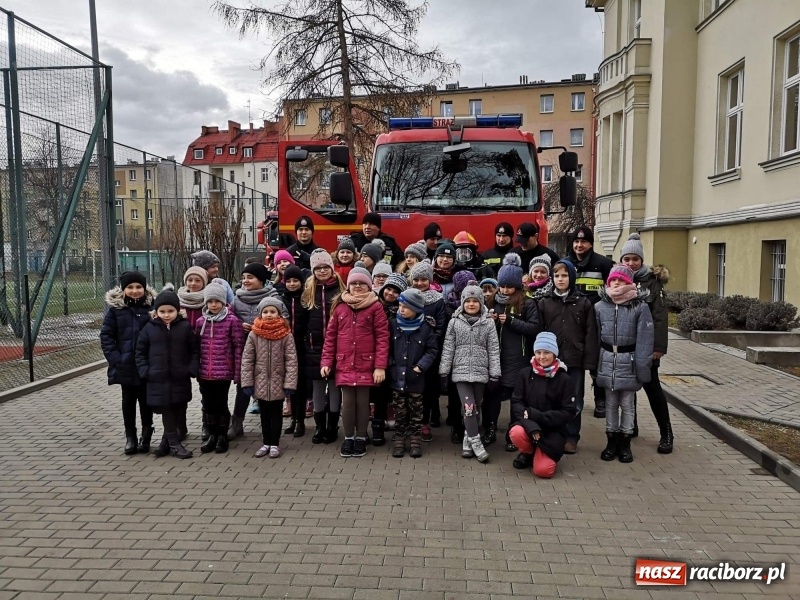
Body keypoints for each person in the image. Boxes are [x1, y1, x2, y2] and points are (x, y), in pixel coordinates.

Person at [320, 267, 390, 458]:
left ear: (368, 285)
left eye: (361, 283)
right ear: (348, 285)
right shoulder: (340, 307)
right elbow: (330, 337)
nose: (357, 286)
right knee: (348, 403)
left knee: (363, 403)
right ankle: (348, 437)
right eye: (354, 283)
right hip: (344, 364)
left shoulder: (376, 307)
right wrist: (326, 362)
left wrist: (379, 366)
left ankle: (361, 437)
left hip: (367, 364)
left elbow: (383, 338)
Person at [536, 259, 598, 456]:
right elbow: (539, 330)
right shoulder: (545, 302)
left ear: (571, 277)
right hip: (551, 360)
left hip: (574, 359)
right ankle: (554, 433)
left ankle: (572, 436)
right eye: (557, 276)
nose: (560, 279)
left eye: (564, 275)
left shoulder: (583, 302)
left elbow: (590, 333)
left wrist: (589, 361)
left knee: (574, 400)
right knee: (550, 397)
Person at [619, 233, 674, 454]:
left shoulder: (653, 284)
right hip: (625, 346)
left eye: (635, 259)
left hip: (647, 347)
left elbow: (660, 317)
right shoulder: (618, 279)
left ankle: (666, 433)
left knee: (653, 389)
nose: (631, 263)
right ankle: (631, 426)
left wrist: (658, 348)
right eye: (627, 259)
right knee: (628, 388)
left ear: (641, 260)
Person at [595, 265, 654, 464]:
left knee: (627, 404)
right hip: (607, 360)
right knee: (611, 403)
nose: (616, 283)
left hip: (628, 361)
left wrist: (642, 366)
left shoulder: (640, 307)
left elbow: (645, 340)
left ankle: (626, 443)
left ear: (629, 283)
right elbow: (595, 337)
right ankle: (611, 441)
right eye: (613, 280)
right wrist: (595, 364)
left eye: (621, 280)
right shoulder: (600, 307)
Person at [483, 253, 539, 456]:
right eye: (502, 285)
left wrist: (512, 321)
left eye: (509, 286)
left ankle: (513, 434)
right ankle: (489, 429)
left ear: (517, 286)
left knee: (517, 398)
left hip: (518, 359)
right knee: (491, 397)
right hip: (495, 357)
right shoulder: (491, 300)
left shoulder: (527, 303)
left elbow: (534, 327)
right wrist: (490, 319)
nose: (505, 290)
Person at [439, 285, 501, 463]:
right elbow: (448, 347)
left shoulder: (488, 322)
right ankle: (476, 441)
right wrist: (444, 371)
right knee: (468, 407)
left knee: (476, 405)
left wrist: (495, 373)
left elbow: (494, 349)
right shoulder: (454, 322)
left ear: (481, 303)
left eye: (475, 301)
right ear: (462, 302)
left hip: (481, 372)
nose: (471, 304)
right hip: (461, 371)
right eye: (468, 301)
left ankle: (468, 437)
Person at [135, 288, 199, 459]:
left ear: (177, 310)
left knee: (178, 407)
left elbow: (194, 350)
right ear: (156, 312)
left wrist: (191, 369)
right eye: (162, 311)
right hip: (157, 378)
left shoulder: (184, 327)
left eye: (170, 311)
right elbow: (140, 352)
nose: (166, 315)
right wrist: (145, 370)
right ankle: (174, 444)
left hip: (180, 377)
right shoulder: (149, 329)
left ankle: (165, 443)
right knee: (167, 410)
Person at [100, 270, 157, 455]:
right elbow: (107, 336)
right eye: (130, 287)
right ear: (123, 289)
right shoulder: (116, 310)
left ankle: (146, 434)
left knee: (146, 401)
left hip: (146, 364)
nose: (134, 291)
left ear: (144, 288)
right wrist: (116, 359)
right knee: (128, 401)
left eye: (138, 287)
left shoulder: (152, 308)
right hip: (125, 364)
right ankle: (130, 436)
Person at [508, 332, 578, 479]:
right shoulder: (524, 374)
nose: (542, 357)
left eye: (547, 352)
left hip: (553, 430)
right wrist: (531, 425)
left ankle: (539, 453)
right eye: (538, 352)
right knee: (516, 432)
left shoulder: (565, 379)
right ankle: (528, 452)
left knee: (543, 471)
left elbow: (567, 412)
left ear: (554, 354)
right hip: (528, 426)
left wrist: (538, 416)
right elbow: (517, 403)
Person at [241, 297, 298, 459]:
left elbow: (292, 360)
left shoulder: (286, 334)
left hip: (278, 382)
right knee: (264, 414)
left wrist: (290, 383)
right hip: (260, 381)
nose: (269, 315)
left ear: (279, 314)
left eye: (272, 311)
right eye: (265, 312)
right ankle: (266, 442)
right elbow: (247, 359)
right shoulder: (254, 334)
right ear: (260, 314)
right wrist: (247, 382)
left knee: (276, 414)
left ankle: (275, 443)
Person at [228, 262, 280, 438]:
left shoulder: (273, 297)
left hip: (269, 350)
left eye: (250, 277)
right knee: (244, 386)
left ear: (261, 280)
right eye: (244, 277)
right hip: (244, 350)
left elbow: (283, 321)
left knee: (270, 387)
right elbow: (229, 318)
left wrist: (259, 327)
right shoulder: (237, 299)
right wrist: (237, 324)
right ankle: (237, 423)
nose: (245, 281)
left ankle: (272, 427)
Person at [567, 226, 613, 420]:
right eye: (576, 242)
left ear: (590, 244)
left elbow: (612, 291)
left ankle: (600, 399)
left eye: (583, 242)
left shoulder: (603, 264)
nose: (579, 245)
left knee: (596, 361)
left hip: (596, 321)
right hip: (572, 321)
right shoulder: (566, 263)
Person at [388, 288, 439, 458]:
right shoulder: (393, 324)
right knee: (400, 410)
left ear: (416, 309)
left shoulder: (425, 327)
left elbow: (432, 350)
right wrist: (391, 365)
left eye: (406, 307)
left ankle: (415, 439)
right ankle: (400, 439)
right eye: (400, 305)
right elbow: (386, 347)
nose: (401, 309)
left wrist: (421, 366)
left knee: (416, 410)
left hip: (416, 378)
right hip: (397, 377)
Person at [194, 281, 244, 455]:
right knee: (208, 404)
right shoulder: (201, 322)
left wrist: (237, 372)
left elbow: (238, 347)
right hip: (204, 372)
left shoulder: (232, 321)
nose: (213, 305)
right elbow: (197, 348)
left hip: (223, 372)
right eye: (210, 301)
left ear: (223, 302)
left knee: (221, 403)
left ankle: (222, 435)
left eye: (217, 301)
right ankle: (212, 435)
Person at [303, 249, 345, 445]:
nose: (322, 271)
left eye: (325, 267)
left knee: (335, 386)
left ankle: (332, 425)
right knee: (318, 387)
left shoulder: (340, 290)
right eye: (317, 268)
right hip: (314, 347)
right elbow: (303, 321)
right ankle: (319, 426)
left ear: (331, 267)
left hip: (337, 346)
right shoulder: (308, 290)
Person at [410, 260, 448, 441]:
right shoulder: (407, 296)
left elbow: (441, 326)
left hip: (431, 351)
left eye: (423, 279)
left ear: (430, 280)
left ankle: (425, 422)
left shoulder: (438, 300)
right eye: (416, 279)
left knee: (429, 390)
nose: (419, 283)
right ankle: (411, 422)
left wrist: (429, 340)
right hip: (410, 350)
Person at [280, 265, 309, 438]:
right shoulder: (281, 299)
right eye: (288, 280)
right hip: (286, 347)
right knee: (289, 384)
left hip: (303, 346)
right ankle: (293, 418)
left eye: (295, 281)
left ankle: (300, 420)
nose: (292, 284)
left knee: (301, 385)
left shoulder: (305, 299)